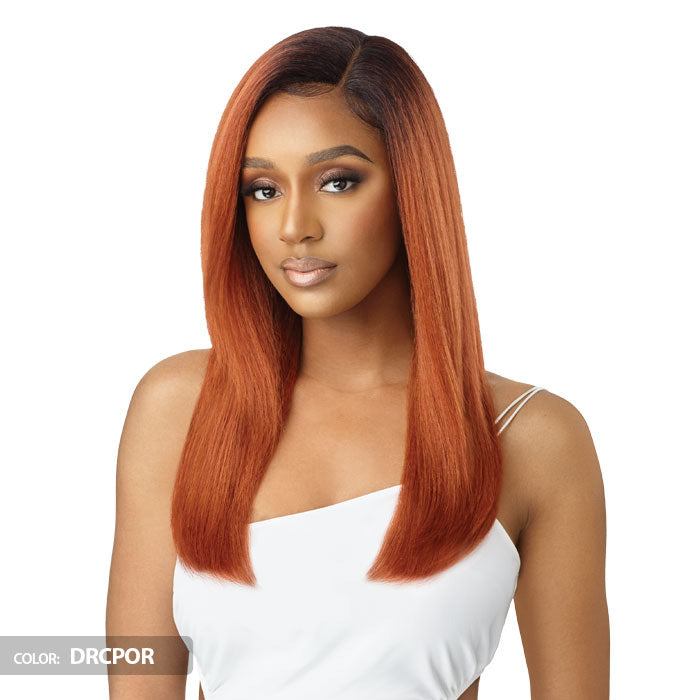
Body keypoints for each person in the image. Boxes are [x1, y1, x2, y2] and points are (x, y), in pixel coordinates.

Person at [106, 26, 609, 700]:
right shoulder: (179, 408)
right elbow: (138, 679)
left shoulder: (533, 439)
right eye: (263, 189)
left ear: (412, 190)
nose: (295, 226)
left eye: (338, 181)